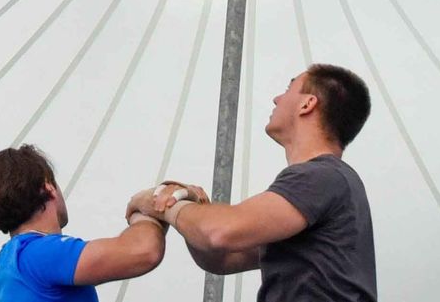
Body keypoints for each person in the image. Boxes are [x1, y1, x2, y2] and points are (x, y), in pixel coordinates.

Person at [132, 64, 376, 301]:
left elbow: (218, 233)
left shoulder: (320, 177)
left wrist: (161, 201)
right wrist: (193, 206)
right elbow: (222, 259)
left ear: (307, 104)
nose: (276, 99)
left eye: (289, 88)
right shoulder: (331, 183)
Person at [0, 144, 170, 300]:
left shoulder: (9, 262)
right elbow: (144, 251)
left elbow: (122, 260)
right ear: (49, 188)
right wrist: (142, 208)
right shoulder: (40, 254)